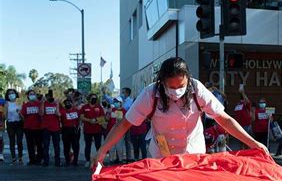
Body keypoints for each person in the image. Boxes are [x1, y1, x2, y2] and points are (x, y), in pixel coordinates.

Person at [92, 57, 267, 168]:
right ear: (162, 82)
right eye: (171, 87)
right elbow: (125, 123)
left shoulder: (197, 89)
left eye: (181, 86)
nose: (176, 91)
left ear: (188, 79)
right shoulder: (150, 93)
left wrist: (253, 143)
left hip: (194, 154)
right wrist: (103, 150)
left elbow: (224, 119)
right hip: (161, 156)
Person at [81, 93, 105, 168]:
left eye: (95, 98)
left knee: (98, 146)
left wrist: (96, 120)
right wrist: (89, 120)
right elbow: (81, 117)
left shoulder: (99, 107)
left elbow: (102, 116)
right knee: (88, 146)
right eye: (92, 98)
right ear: (89, 99)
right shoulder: (84, 107)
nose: (94, 99)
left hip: (97, 130)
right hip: (87, 130)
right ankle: (88, 160)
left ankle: (99, 161)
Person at [21, 90, 43, 165]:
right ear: (28, 96)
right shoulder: (25, 105)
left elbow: (42, 113)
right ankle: (32, 159)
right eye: (30, 94)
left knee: (39, 144)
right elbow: (23, 115)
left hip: (38, 127)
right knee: (30, 144)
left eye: (33, 94)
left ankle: (39, 159)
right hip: (28, 128)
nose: (32, 95)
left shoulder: (39, 104)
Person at [40, 92, 61, 167]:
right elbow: (41, 113)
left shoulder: (56, 103)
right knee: (46, 145)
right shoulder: (44, 103)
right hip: (46, 127)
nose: (50, 98)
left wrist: (57, 104)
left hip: (56, 127)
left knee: (56, 145)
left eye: (51, 97)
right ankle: (46, 162)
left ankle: (57, 162)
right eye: (48, 97)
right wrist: (42, 103)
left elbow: (58, 114)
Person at [4, 89, 24, 165]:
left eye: (13, 93)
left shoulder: (19, 102)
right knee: (12, 141)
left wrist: (20, 113)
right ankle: (13, 158)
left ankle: (20, 157)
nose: (11, 94)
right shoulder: (7, 103)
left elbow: (23, 114)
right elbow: (5, 116)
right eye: (9, 93)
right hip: (10, 124)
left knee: (19, 141)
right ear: (7, 96)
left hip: (19, 123)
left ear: (16, 94)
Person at [60, 98, 81, 166]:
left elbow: (79, 119)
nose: (68, 104)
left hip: (75, 129)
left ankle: (75, 161)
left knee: (76, 146)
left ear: (72, 104)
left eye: (69, 103)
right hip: (66, 130)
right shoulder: (62, 111)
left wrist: (78, 127)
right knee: (66, 146)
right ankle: (67, 161)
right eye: (66, 103)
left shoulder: (76, 110)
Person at [108, 97, 127, 164]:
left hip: (120, 133)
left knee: (119, 147)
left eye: (117, 101)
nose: (115, 103)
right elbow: (108, 119)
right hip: (111, 132)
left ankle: (120, 160)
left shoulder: (124, 111)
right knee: (111, 147)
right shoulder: (112, 110)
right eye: (114, 101)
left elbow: (126, 122)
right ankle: (111, 160)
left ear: (120, 103)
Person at [233, 84, 252, 149]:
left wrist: (242, 92)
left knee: (247, 141)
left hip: (246, 125)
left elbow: (247, 101)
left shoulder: (246, 104)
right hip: (239, 125)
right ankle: (242, 153)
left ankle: (248, 153)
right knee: (240, 141)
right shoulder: (238, 105)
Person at [0, 95, 5, 162]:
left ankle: (0, 153)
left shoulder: (2, 101)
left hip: (0, 125)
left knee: (0, 140)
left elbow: (3, 115)